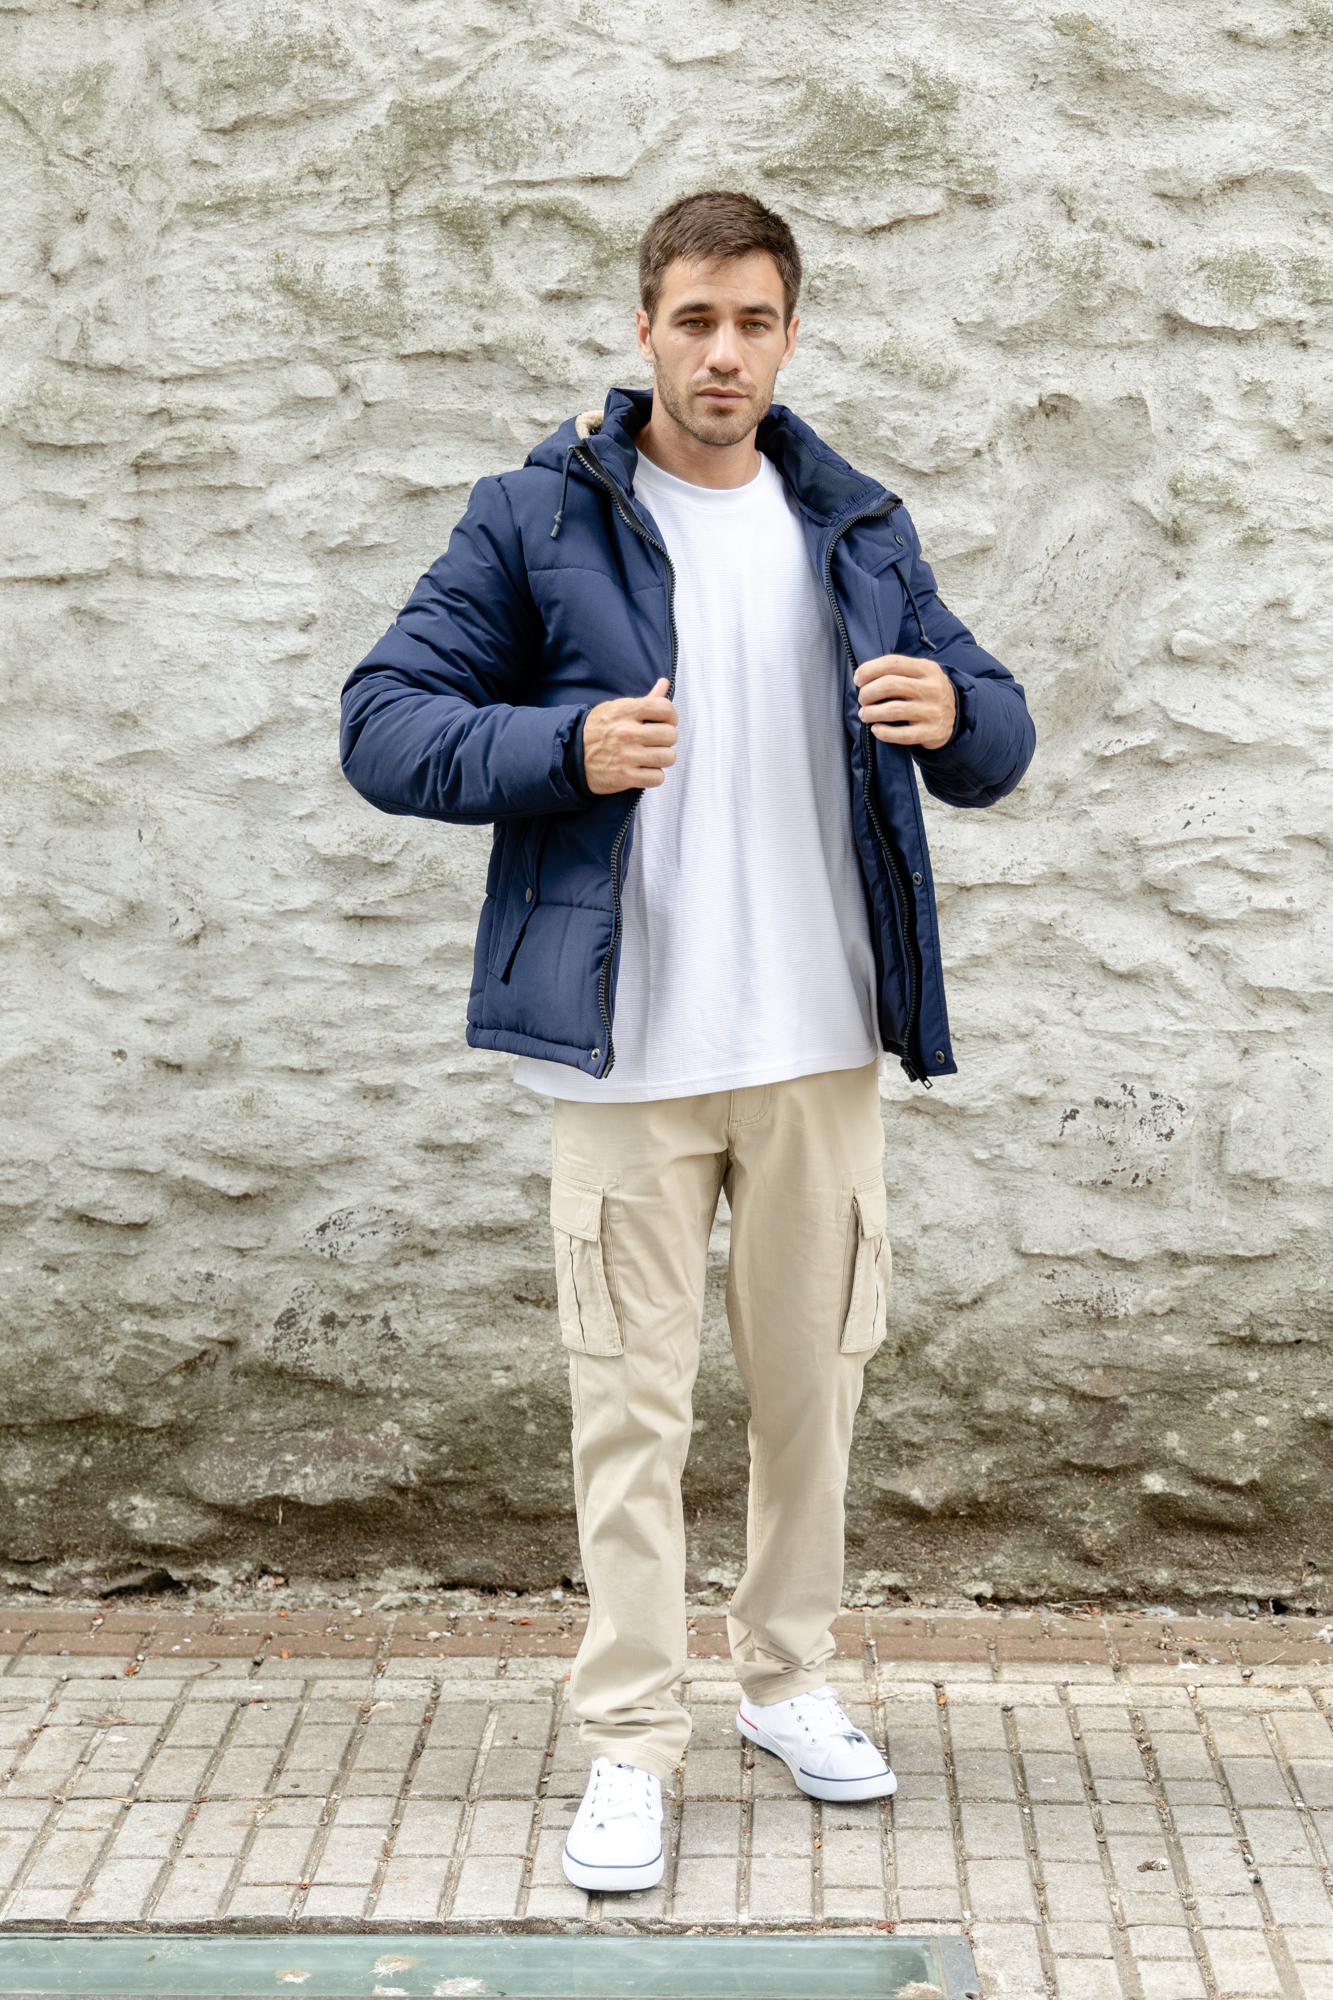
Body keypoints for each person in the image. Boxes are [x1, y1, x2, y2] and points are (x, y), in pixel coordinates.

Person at [340, 189, 1036, 1895]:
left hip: (818, 1041)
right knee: (628, 1417)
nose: (724, 352)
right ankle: (631, 1742)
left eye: (754, 322)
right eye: (695, 320)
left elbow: (997, 733)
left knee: (812, 1401)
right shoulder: (531, 517)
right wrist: (562, 749)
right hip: (625, 1054)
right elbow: (383, 723)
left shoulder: (854, 525)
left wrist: (958, 717)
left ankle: (787, 1685)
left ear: (789, 335)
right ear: (643, 327)